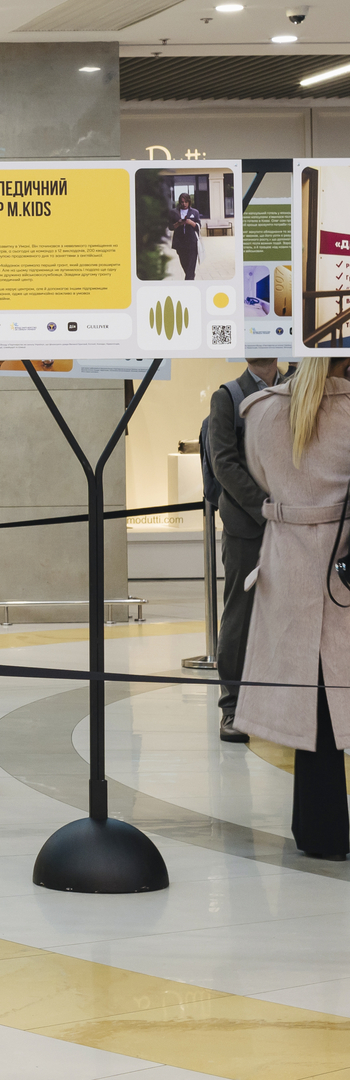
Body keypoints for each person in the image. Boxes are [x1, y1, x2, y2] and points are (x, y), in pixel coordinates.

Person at [231, 355, 350, 859]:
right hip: (340, 564)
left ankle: (319, 830)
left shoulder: (260, 413)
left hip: (288, 563)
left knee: (311, 705)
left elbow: (258, 477)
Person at [206, 356, 282, 743]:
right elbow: (224, 463)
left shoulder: (295, 388)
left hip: (292, 522)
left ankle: (282, 706)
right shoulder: (228, 397)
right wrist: (264, 507)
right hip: (248, 525)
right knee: (240, 613)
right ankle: (232, 707)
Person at [172, 193, 203, 281]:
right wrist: (178, 224)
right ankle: (191, 276)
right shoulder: (175, 212)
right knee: (185, 266)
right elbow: (170, 227)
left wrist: (190, 222)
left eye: (186, 202)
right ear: (179, 202)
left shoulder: (195, 212)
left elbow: (198, 227)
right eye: (182, 202)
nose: (184, 204)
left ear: (189, 202)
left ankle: (189, 282)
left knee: (191, 267)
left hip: (192, 244)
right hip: (180, 244)